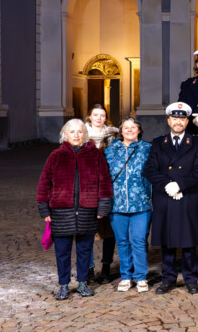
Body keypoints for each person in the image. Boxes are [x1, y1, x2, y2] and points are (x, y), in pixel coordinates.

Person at [37, 119, 113, 300]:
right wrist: (44, 209)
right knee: (62, 251)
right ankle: (63, 285)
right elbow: (44, 183)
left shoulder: (95, 155)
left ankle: (83, 282)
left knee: (84, 250)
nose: (76, 135)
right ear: (65, 134)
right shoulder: (56, 155)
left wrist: (103, 205)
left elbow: (105, 182)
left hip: (87, 210)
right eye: (72, 132)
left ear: (85, 134)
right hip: (61, 211)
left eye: (80, 132)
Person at [142, 102, 198, 294]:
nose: (178, 122)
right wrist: (166, 185)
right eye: (175, 118)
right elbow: (150, 169)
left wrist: (180, 185)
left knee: (189, 241)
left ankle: (191, 279)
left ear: (187, 121)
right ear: (169, 120)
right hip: (165, 196)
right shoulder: (157, 142)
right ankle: (168, 278)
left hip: (187, 195)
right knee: (167, 240)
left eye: (182, 119)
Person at [104, 117, 152, 293]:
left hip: (141, 203)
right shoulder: (111, 150)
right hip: (117, 205)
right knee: (122, 242)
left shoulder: (148, 149)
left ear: (139, 130)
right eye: (126, 127)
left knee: (139, 240)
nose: (130, 130)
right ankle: (126, 276)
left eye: (133, 127)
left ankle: (141, 277)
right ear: (120, 131)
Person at [85, 104, 118, 283]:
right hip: (87, 190)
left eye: (102, 115)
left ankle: (106, 268)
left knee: (109, 230)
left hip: (108, 188)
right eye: (95, 115)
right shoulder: (79, 135)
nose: (99, 118)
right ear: (89, 116)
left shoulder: (113, 136)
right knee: (87, 231)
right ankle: (89, 269)